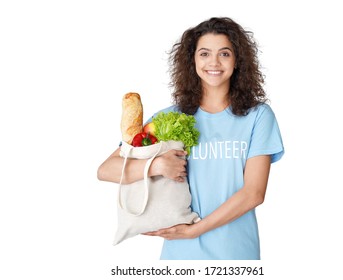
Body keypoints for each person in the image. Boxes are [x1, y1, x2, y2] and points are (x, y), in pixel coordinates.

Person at [97, 17, 284, 260]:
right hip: (180, 257)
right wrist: (156, 165)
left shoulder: (258, 116)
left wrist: (195, 230)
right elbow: (106, 170)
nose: (214, 62)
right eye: (204, 53)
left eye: (225, 54)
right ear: (192, 60)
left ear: (238, 60)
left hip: (236, 254)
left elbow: (254, 193)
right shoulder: (168, 118)